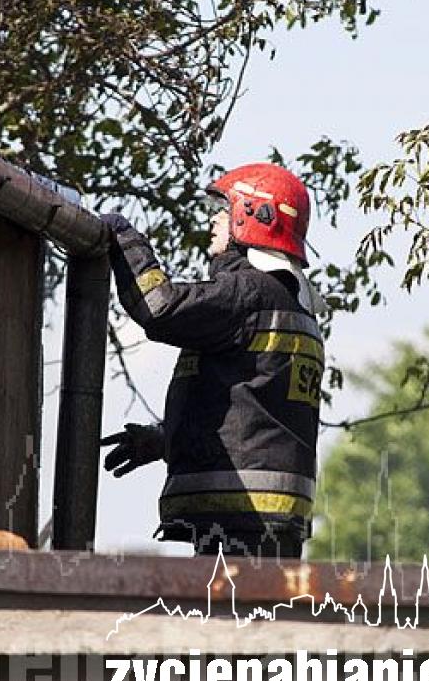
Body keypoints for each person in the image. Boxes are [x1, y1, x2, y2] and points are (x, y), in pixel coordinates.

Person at [100, 163, 326, 559]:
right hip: (263, 520)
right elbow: (254, 410)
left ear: (253, 217)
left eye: (223, 210)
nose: (213, 220)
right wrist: (167, 438)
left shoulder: (248, 293)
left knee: (227, 603)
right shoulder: (293, 306)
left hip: (242, 517)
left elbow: (160, 307)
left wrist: (122, 237)